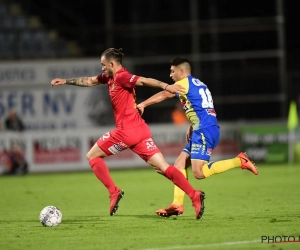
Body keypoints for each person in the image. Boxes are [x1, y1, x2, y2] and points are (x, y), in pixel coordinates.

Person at [50, 48, 205, 220]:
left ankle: (113, 191)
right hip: (141, 131)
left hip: (126, 132)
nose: (101, 68)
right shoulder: (109, 77)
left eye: (103, 65)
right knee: (164, 168)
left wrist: (166, 86)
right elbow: (89, 81)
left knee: (92, 156)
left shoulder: (122, 76)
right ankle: (194, 195)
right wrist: (65, 81)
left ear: (111, 64)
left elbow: (145, 81)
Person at [137, 57, 258, 217]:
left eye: (173, 71)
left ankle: (239, 161)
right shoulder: (199, 84)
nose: (171, 75)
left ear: (182, 71)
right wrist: (192, 125)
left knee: (198, 173)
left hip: (204, 131)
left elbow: (166, 93)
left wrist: (143, 104)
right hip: (207, 128)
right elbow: (203, 107)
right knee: (179, 163)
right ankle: (177, 204)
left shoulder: (184, 83)